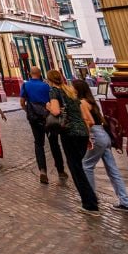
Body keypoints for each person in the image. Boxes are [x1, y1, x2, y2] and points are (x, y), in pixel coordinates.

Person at [76, 80, 128, 211]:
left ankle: (91, 200)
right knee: (113, 171)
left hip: (95, 135)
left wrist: (87, 138)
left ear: (78, 90)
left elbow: (88, 121)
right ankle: (125, 201)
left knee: (86, 166)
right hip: (104, 135)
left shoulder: (82, 103)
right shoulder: (92, 102)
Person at [47, 70, 99, 215]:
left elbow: (56, 112)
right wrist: (87, 136)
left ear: (49, 80)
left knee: (76, 168)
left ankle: (90, 204)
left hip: (70, 133)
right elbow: (83, 116)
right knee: (79, 166)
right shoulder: (71, 92)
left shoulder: (54, 92)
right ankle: (91, 199)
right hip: (82, 132)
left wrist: (48, 107)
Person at [19, 66, 66, 184]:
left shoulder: (25, 85)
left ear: (30, 74)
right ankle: (60, 170)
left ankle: (42, 171)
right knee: (54, 143)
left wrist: (28, 111)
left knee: (39, 143)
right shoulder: (47, 86)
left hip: (34, 118)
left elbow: (22, 102)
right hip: (49, 118)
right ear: (40, 74)